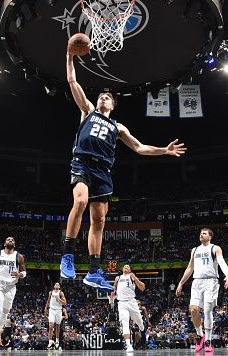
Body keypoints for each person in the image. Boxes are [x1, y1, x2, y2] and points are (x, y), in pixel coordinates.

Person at [60, 53, 187, 290]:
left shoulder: (118, 127)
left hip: (103, 171)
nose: (103, 98)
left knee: (99, 220)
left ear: (113, 105)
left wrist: (164, 150)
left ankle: (94, 271)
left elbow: (139, 148)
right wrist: (69, 57)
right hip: (83, 163)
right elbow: (72, 81)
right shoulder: (87, 111)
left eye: (107, 97)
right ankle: (67, 255)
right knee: (80, 201)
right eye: (101, 96)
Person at [175, 228, 228, 354]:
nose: (201, 234)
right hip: (197, 281)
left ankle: (208, 340)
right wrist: (181, 283)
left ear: (210, 237)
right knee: (193, 309)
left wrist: (227, 274)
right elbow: (190, 268)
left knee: (207, 310)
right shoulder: (195, 250)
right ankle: (200, 335)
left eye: (204, 233)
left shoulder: (215, 248)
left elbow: (221, 261)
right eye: (200, 233)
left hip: (211, 281)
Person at [0, 236, 27, 348]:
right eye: (8, 239)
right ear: (4, 243)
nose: (11, 240)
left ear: (14, 244)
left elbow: (24, 271)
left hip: (11, 287)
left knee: (5, 312)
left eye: (13, 240)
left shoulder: (19, 256)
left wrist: (20, 274)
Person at [111, 264, 146, 352]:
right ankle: (128, 345)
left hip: (132, 302)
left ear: (130, 270)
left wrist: (135, 278)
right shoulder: (118, 278)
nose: (126, 267)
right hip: (122, 303)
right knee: (125, 323)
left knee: (139, 322)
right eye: (125, 266)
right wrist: (112, 294)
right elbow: (114, 290)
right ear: (122, 269)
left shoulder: (131, 276)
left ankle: (142, 328)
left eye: (128, 267)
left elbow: (142, 287)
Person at [45, 282, 67, 350]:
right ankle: (50, 342)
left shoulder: (61, 293)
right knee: (51, 326)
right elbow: (48, 301)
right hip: (51, 310)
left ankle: (57, 341)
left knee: (58, 327)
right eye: (56, 284)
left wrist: (59, 299)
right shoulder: (50, 292)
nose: (57, 285)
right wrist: (45, 308)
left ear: (59, 286)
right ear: (54, 286)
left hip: (58, 310)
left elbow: (65, 303)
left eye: (58, 284)